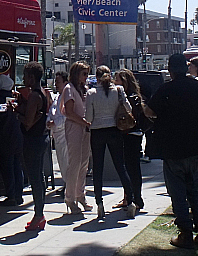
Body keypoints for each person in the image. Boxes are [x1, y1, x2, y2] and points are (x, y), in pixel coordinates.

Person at [145, 54, 198, 249]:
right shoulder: (195, 87)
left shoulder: (166, 89)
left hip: (173, 149)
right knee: (195, 191)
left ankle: (185, 233)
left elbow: (149, 111)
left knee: (178, 193)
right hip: (195, 147)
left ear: (170, 70)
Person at [85, 66, 137, 220]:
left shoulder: (91, 93)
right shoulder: (119, 90)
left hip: (97, 131)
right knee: (120, 166)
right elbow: (128, 108)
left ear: (97, 77)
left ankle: (99, 203)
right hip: (115, 129)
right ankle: (131, 202)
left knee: (98, 169)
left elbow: (88, 117)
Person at [13, 62, 49, 231]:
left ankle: (38, 214)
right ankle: (40, 213)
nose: (24, 79)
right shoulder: (44, 92)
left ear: (32, 78)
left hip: (32, 141)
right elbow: (37, 115)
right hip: (42, 138)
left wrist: (15, 113)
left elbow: (28, 122)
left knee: (35, 178)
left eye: (26, 76)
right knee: (39, 176)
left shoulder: (34, 95)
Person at [0, 74, 24, 207]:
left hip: (4, 139)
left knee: (7, 168)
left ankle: (11, 196)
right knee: (16, 167)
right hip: (16, 138)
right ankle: (18, 195)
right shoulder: (13, 99)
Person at [114, 68, 147, 210]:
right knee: (133, 167)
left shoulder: (126, 97)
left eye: (117, 80)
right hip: (136, 134)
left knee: (129, 167)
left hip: (128, 134)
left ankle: (133, 198)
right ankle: (132, 197)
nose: (115, 83)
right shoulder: (136, 96)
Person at [62, 61, 91, 215]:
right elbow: (70, 112)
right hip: (74, 127)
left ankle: (80, 194)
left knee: (84, 162)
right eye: (84, 74)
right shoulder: (69, 89)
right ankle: (70, 198)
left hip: (85, 128)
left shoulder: (84, 89)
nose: (86, 77)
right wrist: (84, 122)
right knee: (75, 162)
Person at [47, 71, 69, 198]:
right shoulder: (57, 97)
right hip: (57, 134)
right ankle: (66, 185)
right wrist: (49, 121)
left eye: (58, 82)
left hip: (65, 134)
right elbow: (51, 112)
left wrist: (54, 123)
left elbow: (66, 116)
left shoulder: (67, 98)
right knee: (61, 161)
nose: (56, 84)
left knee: (66, 161)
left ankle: (69, 187)